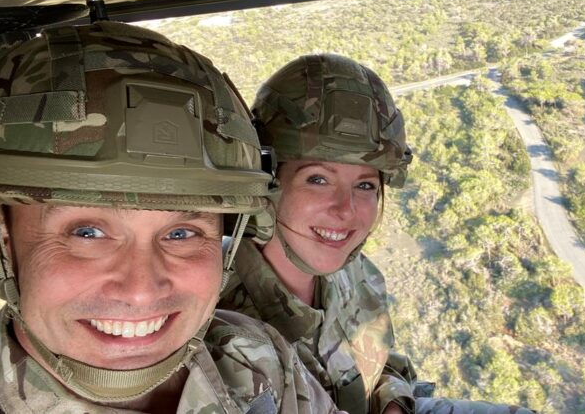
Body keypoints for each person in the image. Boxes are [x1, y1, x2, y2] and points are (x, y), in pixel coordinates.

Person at [0, 22, 340, 413]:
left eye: (182, 233)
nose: (141, 291)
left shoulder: (254, 358)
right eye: (87, 232)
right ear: (5, 237)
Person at [219, 54, 536, 414]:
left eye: (365, 185)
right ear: (269, 181)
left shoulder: (353, 273)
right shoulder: (220, 322)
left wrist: (391, 403)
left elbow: (376, 365)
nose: (346, 209)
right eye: (318, 179)